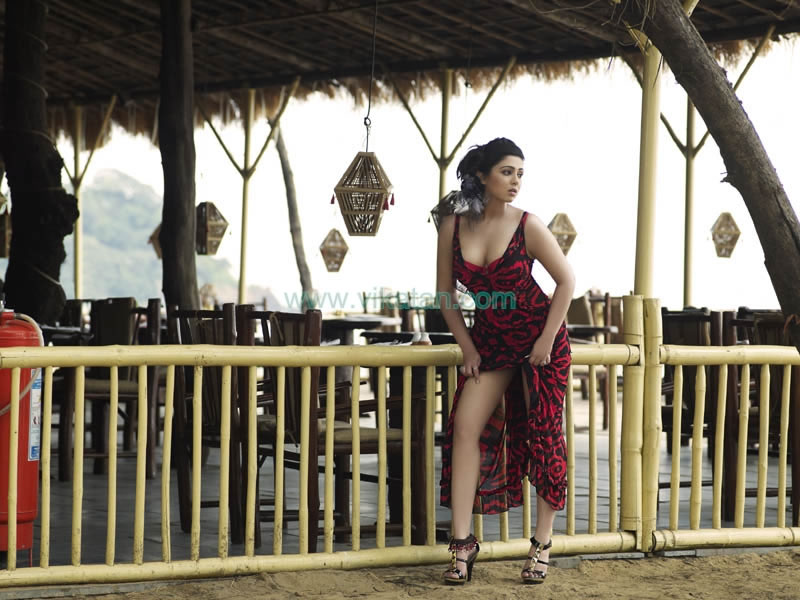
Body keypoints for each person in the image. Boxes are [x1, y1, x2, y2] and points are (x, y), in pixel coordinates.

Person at [433, 137, 574, 585]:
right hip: (490, 342)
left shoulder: (528, 225)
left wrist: (546, 341)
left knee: (544, 437)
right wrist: (468, 349)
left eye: (520, 174)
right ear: (482, 175)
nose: (515, 181)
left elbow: (566, 282)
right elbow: (445, 296)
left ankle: (542, 544)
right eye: (507, 172)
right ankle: (462, 545)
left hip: (539, 341)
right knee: (463, 429)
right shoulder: (453, 225)